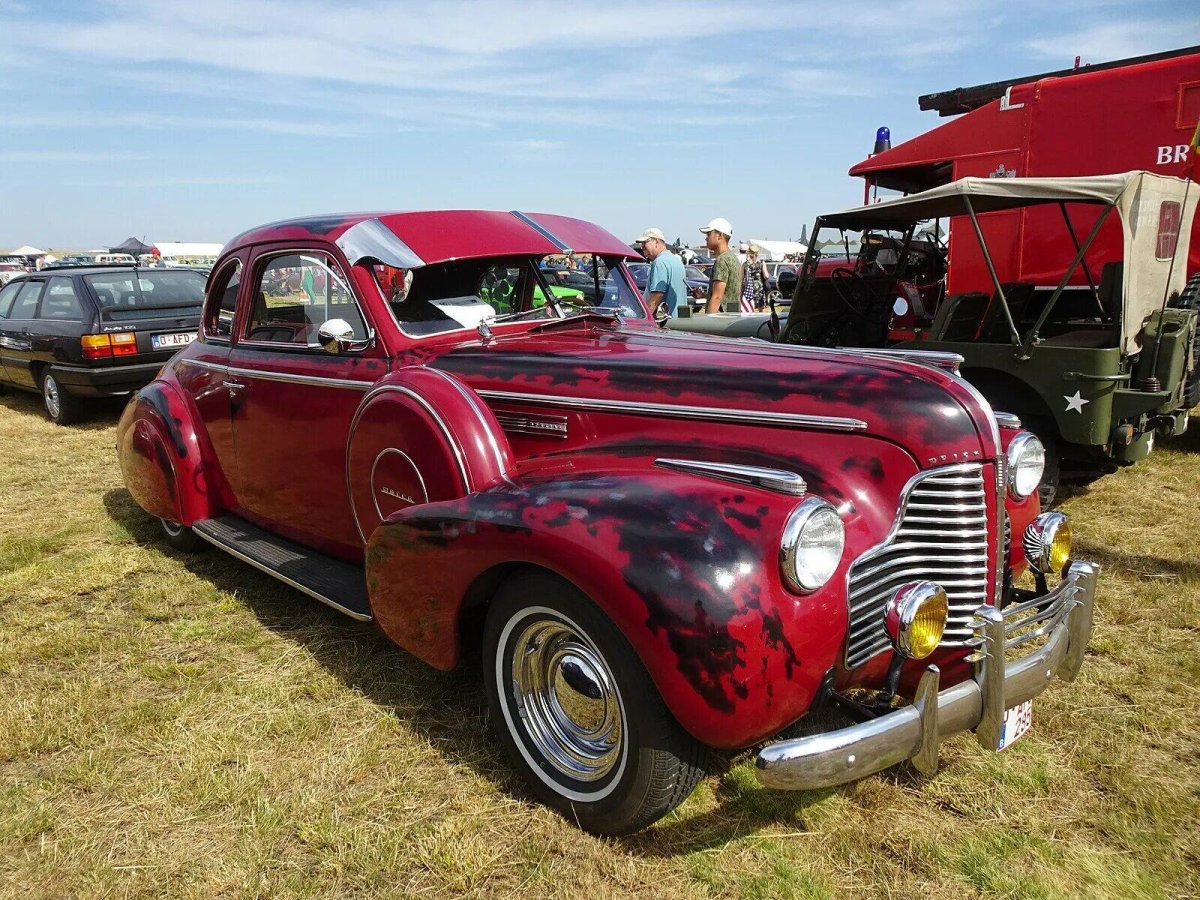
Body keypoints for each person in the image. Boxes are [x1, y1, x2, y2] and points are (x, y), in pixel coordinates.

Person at [636, 228, 686, 319]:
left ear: (657, 242)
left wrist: (646, 319)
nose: (642, 246)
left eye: (645, 242)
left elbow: (657, 295)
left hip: (665, 323)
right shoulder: (676, 261)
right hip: (679, 320)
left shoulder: (660, 262)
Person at [700, 218, 741, 313]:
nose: (706, 238)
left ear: (719, 235)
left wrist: (708, 323)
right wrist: (704, 295)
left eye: (709, 234)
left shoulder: (722, 260)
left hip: (721, 321)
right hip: (732, 319)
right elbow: (727, 294)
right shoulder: (733, 258)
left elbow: (717, 298)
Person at [740, 244, 768, 313]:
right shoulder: (761, 263)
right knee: (760, 308)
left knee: (749, 308)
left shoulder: (745, 264)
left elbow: (741, 278)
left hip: (748, 288)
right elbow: (766, 276)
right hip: (759, 288)